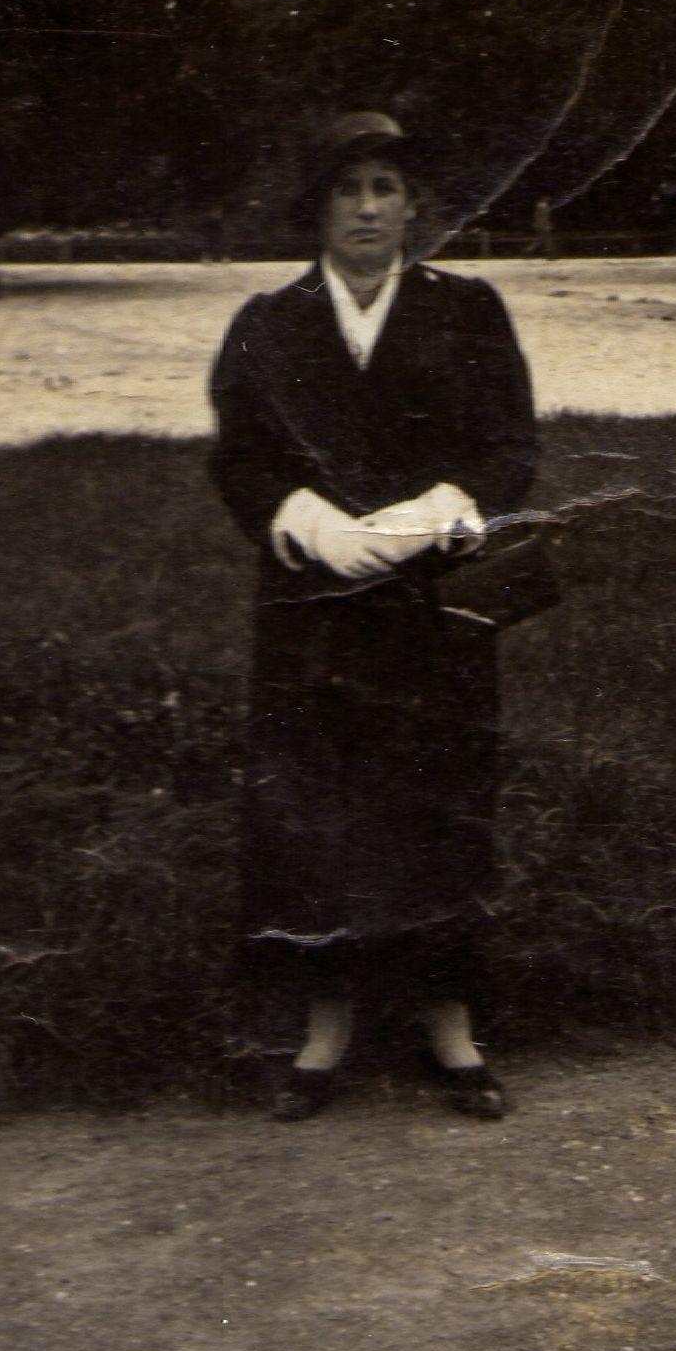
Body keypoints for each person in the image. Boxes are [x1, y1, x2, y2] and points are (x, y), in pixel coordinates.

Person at [208, 111, 537, 1122]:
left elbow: (509, 448)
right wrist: (302, 518)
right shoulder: (270, 321)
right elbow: (239, 456)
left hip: (431, 605)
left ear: (411, 206)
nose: (365, 209)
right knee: (316, 806)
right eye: (346, 190)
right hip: (314, 608)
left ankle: (450, 1023)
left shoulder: (466, 310)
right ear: (317, 208)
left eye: (384, 188)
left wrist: (436, 511)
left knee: (438, 799)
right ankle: (325, 1023)